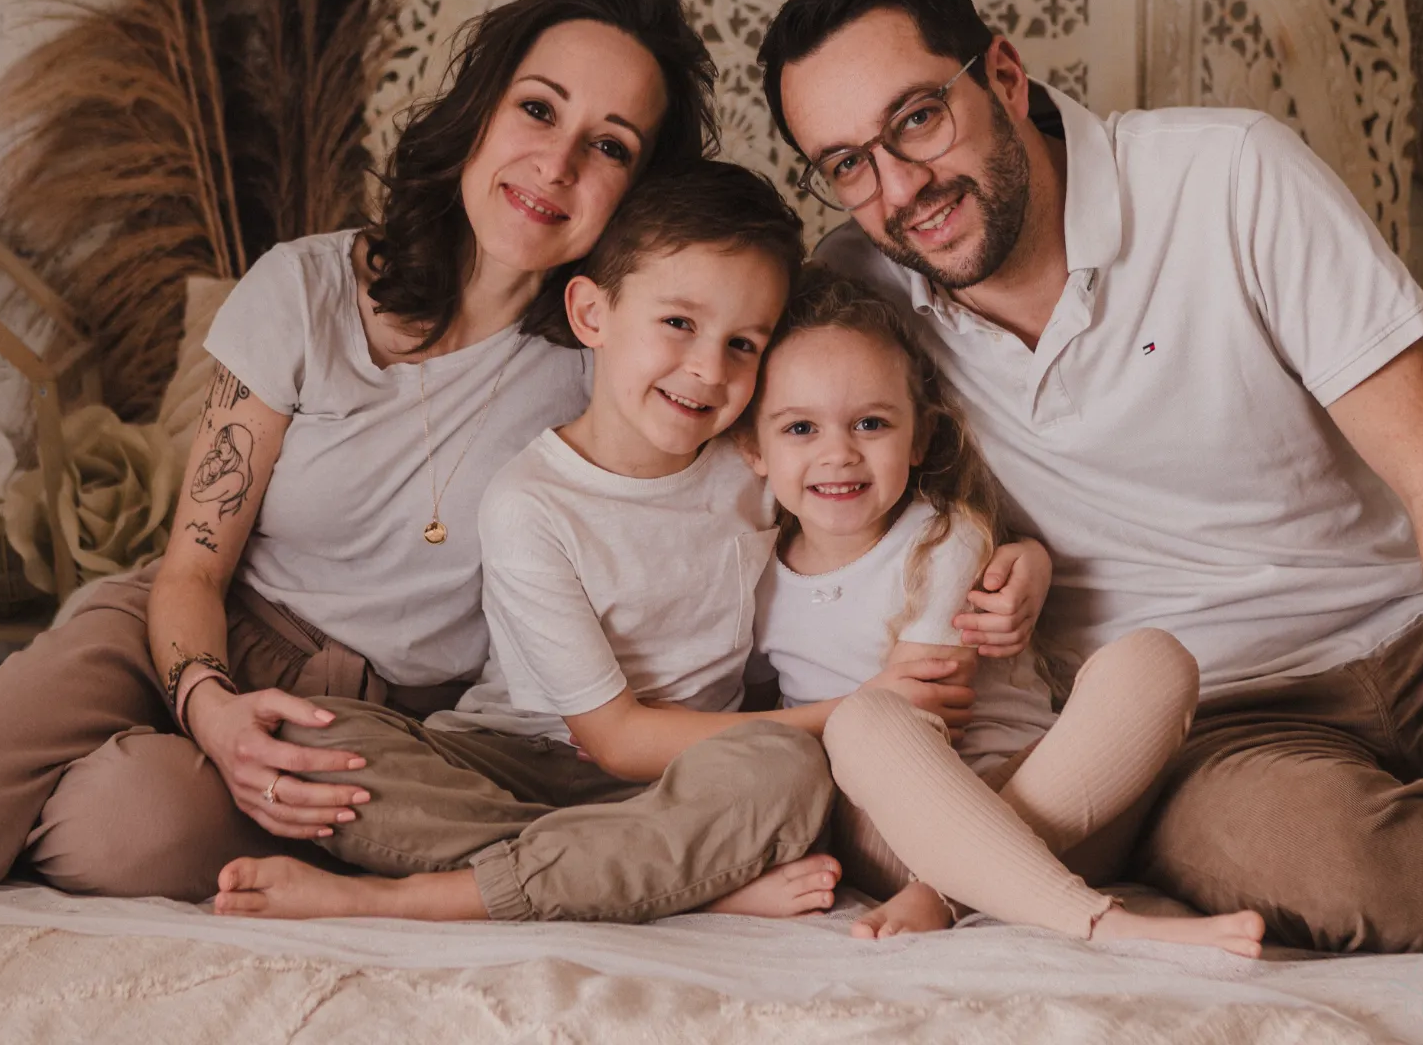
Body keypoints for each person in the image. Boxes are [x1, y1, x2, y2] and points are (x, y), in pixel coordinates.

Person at [754, 0, 1423, 954]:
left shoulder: (1227, 175)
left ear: (1004, 75)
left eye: (919, 119)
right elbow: (686, 362)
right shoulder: (863, 295)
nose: (900, 186)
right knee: (1355, 862)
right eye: (849, 164)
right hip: (1206, 725)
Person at [0, 0, 739, 936]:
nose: (559, 163)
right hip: (186, 629)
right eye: (539, 108)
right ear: (481, 107)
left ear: (637, 191)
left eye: (610, 146)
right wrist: (210, 711)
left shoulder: (610, 364)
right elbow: (192, 565)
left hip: (375, 723)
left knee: (125, 827)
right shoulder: (305, 288)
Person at [210, 162, 1040, 923]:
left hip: (693, 781)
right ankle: (673, 880)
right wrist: (852, 713)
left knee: (784, 777)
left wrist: (1024, 562)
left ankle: (426, 900)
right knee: (314, 741)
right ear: (592, 313)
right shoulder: (530, 504)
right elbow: (610, 737)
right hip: (517, 761)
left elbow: (910, 522)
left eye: (743, 345)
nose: (708, 370)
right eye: (678, 322)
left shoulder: (756, 463)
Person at [742, 266, 1263, 956]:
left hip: (1066, 804)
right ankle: (1102, 924)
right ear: (753, 449)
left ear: (920, 438)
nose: (839, 452)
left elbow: (936, 696)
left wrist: (1032, 556)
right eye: (801, 427)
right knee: (864, 721)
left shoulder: (945, 539)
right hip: (895, 830)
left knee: (1155, 660)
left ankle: (949, 892)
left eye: (872, 423)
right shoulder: (753, 578)